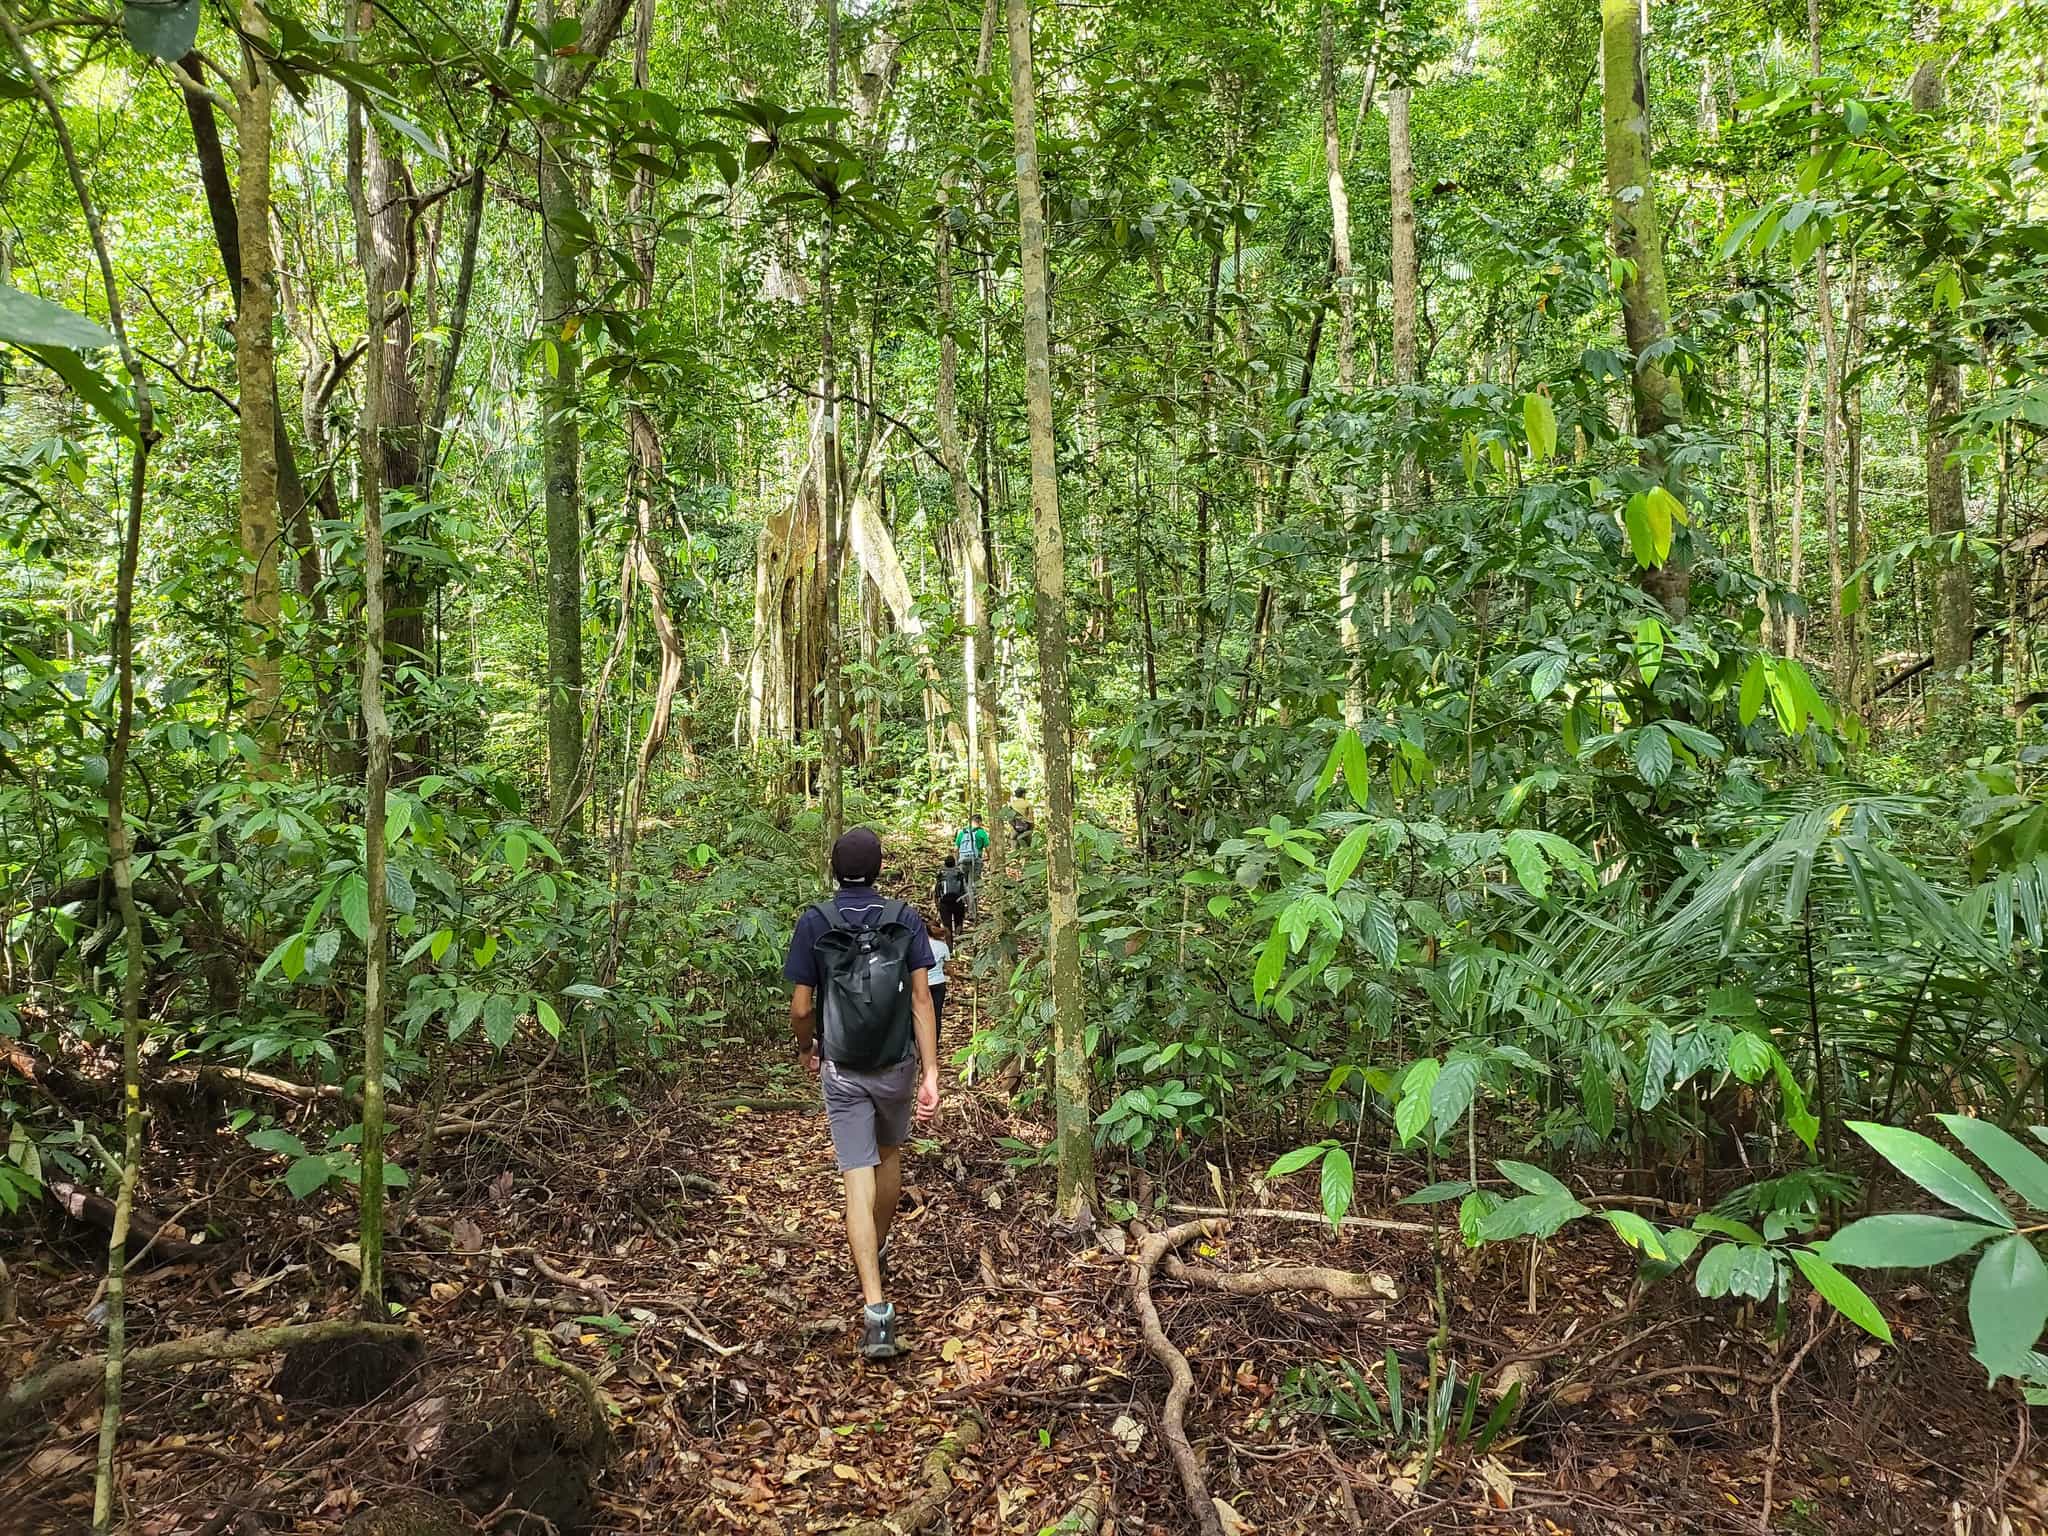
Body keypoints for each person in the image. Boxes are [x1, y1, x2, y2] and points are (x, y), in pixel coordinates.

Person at [785, 827, 941, 1360]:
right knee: (890, 1155)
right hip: (896, 1063)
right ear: (879, 870)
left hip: (843, 1068)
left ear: (833, 870)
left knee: (857, 1172)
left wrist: (809, 1050)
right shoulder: (905, 918)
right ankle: (876, 1244)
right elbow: (922, 1000)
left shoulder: (815, 923)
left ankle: (876, 1311)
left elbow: (802, 1008)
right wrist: (931, 1072)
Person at [934, 852, 970, 934]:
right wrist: (967, 905)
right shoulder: (959, 873)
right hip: (958, 901)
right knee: (959, 922)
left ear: (945, 864)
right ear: (954, 864)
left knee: (947, 927)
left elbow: (936, 890)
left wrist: (937, 904)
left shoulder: (941, 874)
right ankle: (959, 939)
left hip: (944, 903)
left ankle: (949, 944)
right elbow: (965, 890)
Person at [926, 921, 951, 1041]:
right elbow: (948, 967)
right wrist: (954, 978)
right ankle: (934, 1041)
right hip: (938, 983)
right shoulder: (942, 946)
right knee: (937, 1014)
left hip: (922, 984)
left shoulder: (920, 946)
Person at [1007, 786, 1034, 850]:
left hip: (1014, 830)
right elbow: (1031, 819)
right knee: (1027, 849)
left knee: (1014, 852)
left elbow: (1009, 819)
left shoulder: (1011, 805)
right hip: (1026, 829)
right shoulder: (1027, 804)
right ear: (1023, 794)